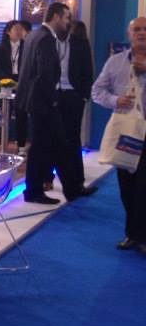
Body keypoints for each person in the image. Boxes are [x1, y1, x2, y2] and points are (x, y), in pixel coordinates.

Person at [17, 2, 85, 204]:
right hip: (43, 102)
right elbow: (45, 73)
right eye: (66, 17)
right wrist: (53, 100)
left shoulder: (33, 35)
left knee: (51, 146)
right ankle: (37, 191)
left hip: (35, 101)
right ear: (55, 16)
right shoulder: (46, 38)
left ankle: (69, 189)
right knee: (47, 147)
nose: (68, 22)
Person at [92, 17, 146, 252]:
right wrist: (116, 100)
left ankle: (142, 235)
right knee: (128, 185)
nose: (142, 33)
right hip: (127, 133)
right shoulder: (115, 62)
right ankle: (133, 233)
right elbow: (97, 91)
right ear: (129, 34)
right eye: (137, 29)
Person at [65, 20, 96, 195]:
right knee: (70, 140)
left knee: (71, 140)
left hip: (74, 98)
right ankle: (75, 183)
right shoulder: (79, 44)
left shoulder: (80, 45)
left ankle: (75, 183)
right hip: (70, 98)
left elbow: (87, 72)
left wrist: (83, 96)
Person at [0, 19, 31, 152]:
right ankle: (2, 144)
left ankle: (21, 145)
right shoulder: (1, 48)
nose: (19, 32)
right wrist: (6, 80)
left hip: (22, 81)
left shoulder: (26, 46)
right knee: (5, 113)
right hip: (6, 82)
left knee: (22, 113)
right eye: (16, 29)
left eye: (21, 29)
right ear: (8, 32)